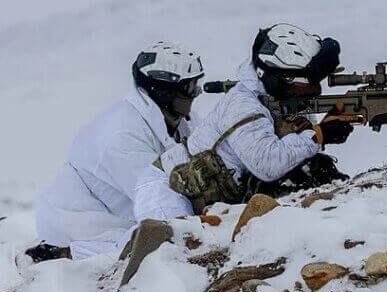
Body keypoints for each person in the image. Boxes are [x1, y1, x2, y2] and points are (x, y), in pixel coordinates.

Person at [133, 24, 353, 223]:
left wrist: (322, 129)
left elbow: (295, 151)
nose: (314, 91)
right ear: (280, 78)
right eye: (306, 83)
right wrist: (319, 134)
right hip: (167, 190)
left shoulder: (279, 99)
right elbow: (269, 164)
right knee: (172, 243)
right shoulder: (243, 106)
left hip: (216, 188)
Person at [30, 42, 205, 261]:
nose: (197, 92)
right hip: (78, 222)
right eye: (190, 87)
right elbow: (163, 203)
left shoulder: (181, 121)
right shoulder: (122, 135)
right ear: (165, 90)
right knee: (154, 242)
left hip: (118, 212)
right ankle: (62, 254)